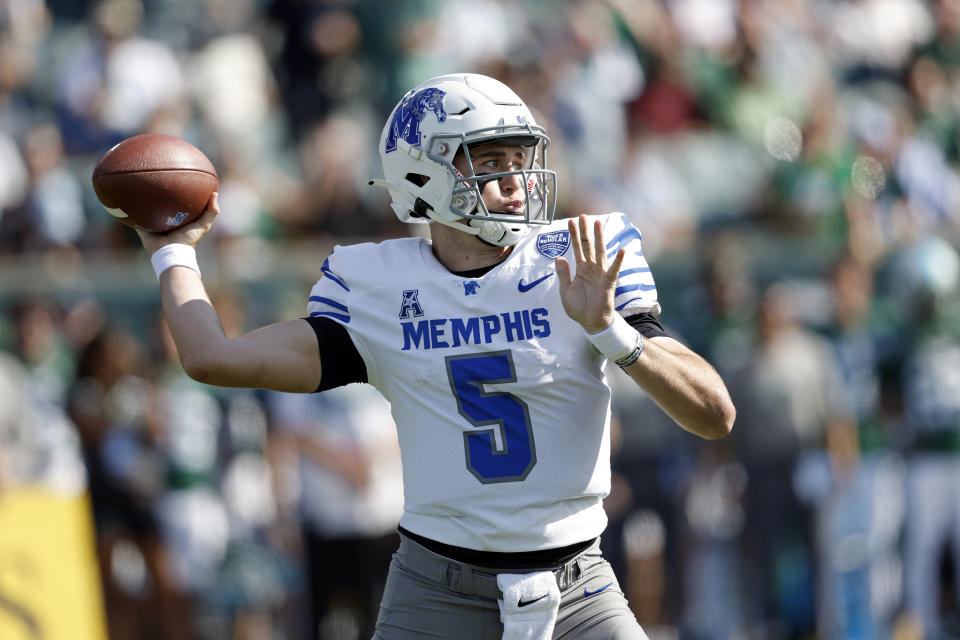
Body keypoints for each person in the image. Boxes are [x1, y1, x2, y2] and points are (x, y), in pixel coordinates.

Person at [136, 73, 735, 640]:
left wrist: (610, 331)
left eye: (520, 160)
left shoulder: (578, 259)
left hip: (578, 586)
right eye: (489, 162)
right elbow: (211, 357)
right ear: (423, 175)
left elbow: (714, 413)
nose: (515, 180)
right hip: (437, 591)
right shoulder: (377, 287)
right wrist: (172, 252)